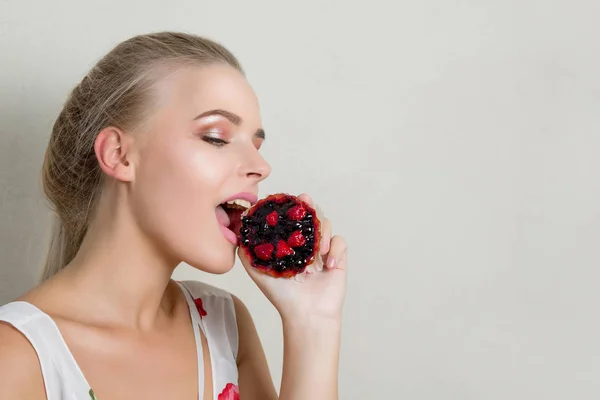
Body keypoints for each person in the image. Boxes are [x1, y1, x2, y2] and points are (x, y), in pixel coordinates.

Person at [0, 32, 348, 400]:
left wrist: (313, 323)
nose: (261, 167)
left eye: (256, 145)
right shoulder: (17, 358)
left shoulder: (223, 326)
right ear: (119, 155)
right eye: (216, 137)